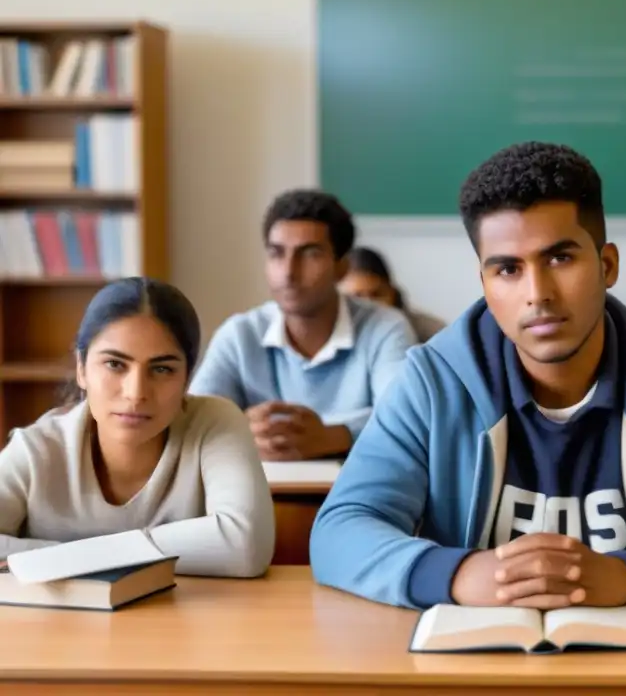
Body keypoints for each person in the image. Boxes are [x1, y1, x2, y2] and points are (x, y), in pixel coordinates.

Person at [310, 141, 626, 611]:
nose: (537, 294)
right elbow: (339, 531)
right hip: (474, 665)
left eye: (560, 258)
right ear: (484, 284)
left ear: (607, 265)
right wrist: (460, 574)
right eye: (508, 269)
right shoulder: (431, 381)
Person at [0, 278, 275, 575]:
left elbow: (246, 547)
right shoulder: (37, 448)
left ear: (187, 378)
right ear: (81, 369)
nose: (136, 392)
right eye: (115, 364)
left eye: (162, 369)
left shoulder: (215, 423)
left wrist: (66, 558)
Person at [189, 190, 416, 459]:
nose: (288, 272)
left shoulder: (385, 328)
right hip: (262, 495)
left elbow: (407, 419)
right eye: (276, 254)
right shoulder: (239, 335)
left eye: (309, 254)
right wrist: (236, 431)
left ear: (342, 267)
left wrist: (337, 435)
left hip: (359, 494)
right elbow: (194, 424)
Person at [340, 246, 446, 343]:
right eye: (357, 296)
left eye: (376, 295)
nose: (368, 304)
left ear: (392, 293)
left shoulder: (433, 334)